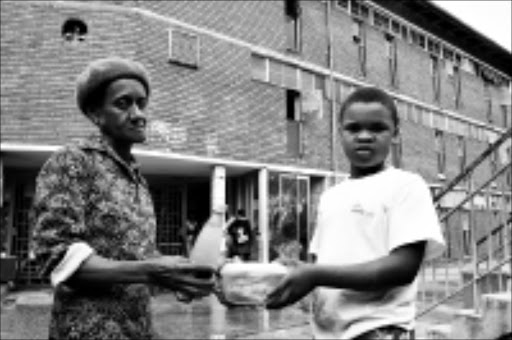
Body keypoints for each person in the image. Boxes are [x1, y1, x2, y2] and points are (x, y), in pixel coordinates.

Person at [30, 56, 218, 340]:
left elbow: (140, 255)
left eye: (141, 104)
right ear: (96, 114)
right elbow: (56, 257)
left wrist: (180, 274)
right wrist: (153, 271)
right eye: (123, 103)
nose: (138, 113)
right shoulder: (73, 161)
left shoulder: (137, 179)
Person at [265, 86, 446, 339]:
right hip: (328, 332)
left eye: (377, 128)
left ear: (396, 133)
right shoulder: (331, 196)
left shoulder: (406, 185)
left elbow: (404, 268)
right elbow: (325, 265)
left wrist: (314, 275)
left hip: (380, 330)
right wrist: (297, 271)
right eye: (353, 128)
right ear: (340, 133)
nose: (364, 136)